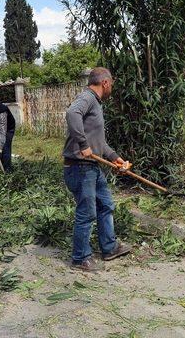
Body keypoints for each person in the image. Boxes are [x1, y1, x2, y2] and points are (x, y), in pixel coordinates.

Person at [63, 67, 132, 272]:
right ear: (105, 83)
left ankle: (109, 248)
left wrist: (117, 159)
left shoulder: (96, 104)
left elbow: (100, 144)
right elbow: (71, 113)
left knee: (106, 204)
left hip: (92, 167)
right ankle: (80, 258)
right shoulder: (88, 98)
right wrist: (83, 145)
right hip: (80, 167)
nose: (111, 87)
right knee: (87, 212)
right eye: (111, 84)